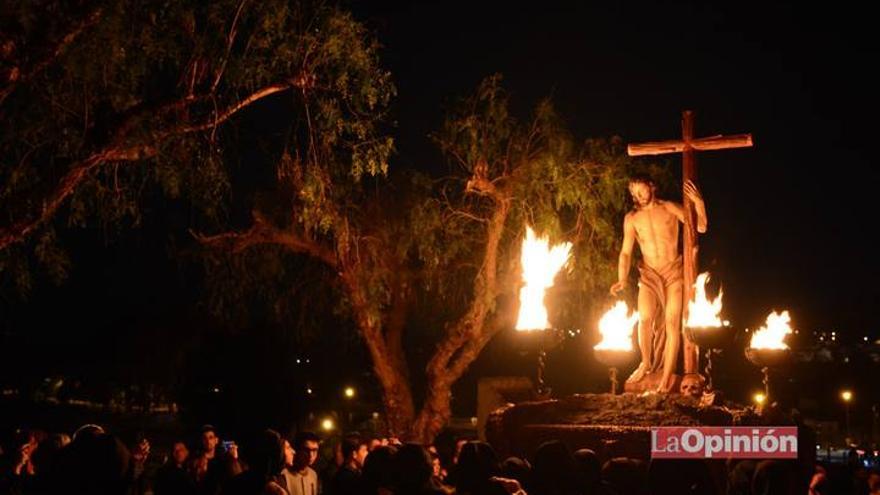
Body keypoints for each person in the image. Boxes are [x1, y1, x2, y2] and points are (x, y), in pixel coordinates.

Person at [610, 175, 707, 392]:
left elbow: (700, 227)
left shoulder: (670, 208)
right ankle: (645, 361)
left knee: (673, 323)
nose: (638, 195)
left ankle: (665, 378)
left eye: (641, 190)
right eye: (633, 193)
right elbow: (625, 253)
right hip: (649, 274)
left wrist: (699, 202)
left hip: (673, 272)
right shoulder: (632, 218)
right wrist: (622, 279)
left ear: (652, 186)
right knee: (644, 320)